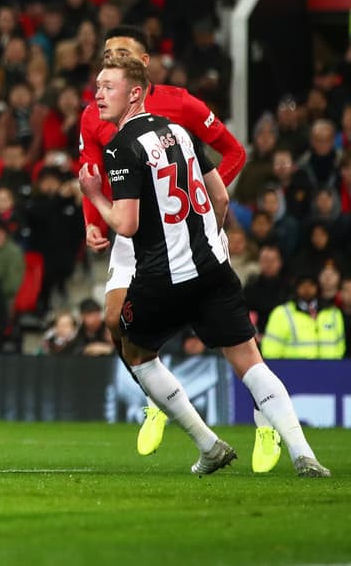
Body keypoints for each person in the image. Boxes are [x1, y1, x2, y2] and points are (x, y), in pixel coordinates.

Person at [79, 56, 329, 478]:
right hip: (213, 271)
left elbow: (126, 223)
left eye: (108, 86)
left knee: (136, 352)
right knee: (250, 362)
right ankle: (304, 455)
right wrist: (206, 242)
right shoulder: (179, 131)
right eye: (97, 86)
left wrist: (94, 194)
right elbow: (221, 198)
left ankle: (208, 445)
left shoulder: (120, 147)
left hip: (162, 278)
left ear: (135, 92)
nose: (98, 94)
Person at [77, 25, 259, 461]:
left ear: (142, 65)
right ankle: (158, 399)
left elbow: (233, 153)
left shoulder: (180, 103)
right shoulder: (93, 113)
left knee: (225, 330)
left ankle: (264, 419)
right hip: (133, 223)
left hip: (185, 228)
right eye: (106, 55)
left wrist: (199, 205)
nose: (109, 64)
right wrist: (92, 222)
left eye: (120, 54)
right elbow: (91, 169)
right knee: (115, 322)